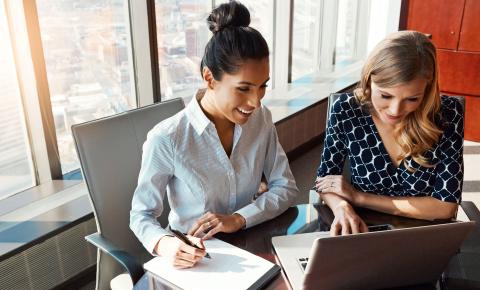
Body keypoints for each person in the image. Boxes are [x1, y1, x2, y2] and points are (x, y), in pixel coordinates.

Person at [130, 1, 299, 269]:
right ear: (209, 78)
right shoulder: (167, 138)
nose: (255, 102)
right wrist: (165, 244)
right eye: (243, 88)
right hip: (196, 257)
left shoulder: (261, 118)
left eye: (262, 87)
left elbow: (286, 187)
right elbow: (141, 215)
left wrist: (239, 219)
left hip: (251, 243)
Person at [314, 31, 464, 236]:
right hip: (362, 230)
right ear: (369, 80)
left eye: (412, 99)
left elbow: (445, 207)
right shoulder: (346, 110)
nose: (395, 110)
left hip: (424, 236)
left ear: (427, 90)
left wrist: (359, 198)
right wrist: (342, 207)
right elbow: (326, 180)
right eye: (385, 95)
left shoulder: (447, 114)